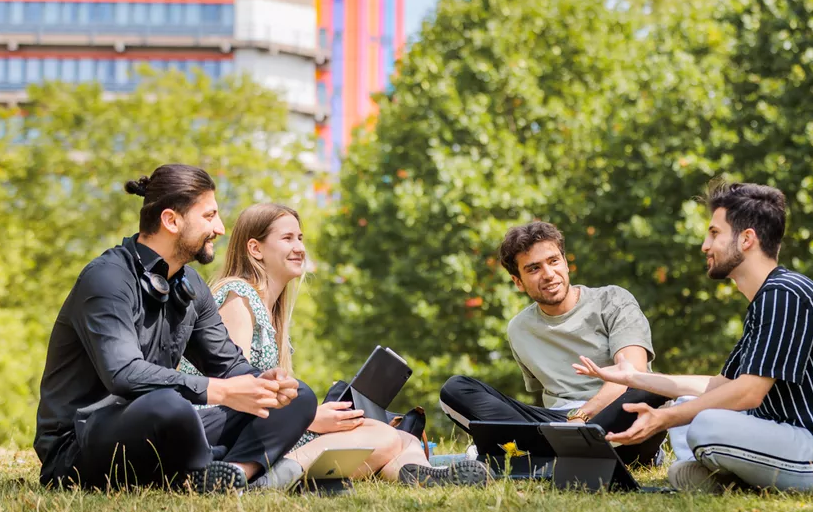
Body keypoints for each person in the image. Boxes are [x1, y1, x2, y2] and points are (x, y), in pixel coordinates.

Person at [574, 180, 813, 493]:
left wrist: (664, 418)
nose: (705, 246)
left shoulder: (786, 295)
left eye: (714, 233)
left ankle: (736, 479)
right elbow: (717, 386)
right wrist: (635, 377)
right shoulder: (767, 299)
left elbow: (748, 394)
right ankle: (740, 483)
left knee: (705, 424)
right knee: (687, 445)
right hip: (799, 444)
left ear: (747, 239)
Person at [34, 164, 317, 493]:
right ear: (171, 221)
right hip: (80, 444)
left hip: (164, 428)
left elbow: (228, 365)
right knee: (169, 406)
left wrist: (265, 383)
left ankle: (233, 473)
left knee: (299, 397)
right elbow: (124, 373)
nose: (221, 228)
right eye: (209, 216)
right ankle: (205, 466)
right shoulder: (107, 278)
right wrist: (223, 392)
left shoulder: (190, 284)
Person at [180, 203, 488, 489]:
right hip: (229, 437)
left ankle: (425, 476)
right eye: (287, 238)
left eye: (300, 238)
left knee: (400, 438)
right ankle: (264, 481)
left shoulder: (272, 310)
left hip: (263, 428)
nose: (299, 247)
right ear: (255, 248)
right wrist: (309, 417)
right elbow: (234, 390)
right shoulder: (238, 297)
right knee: (379, 435)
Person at [439, 221, 668, 467]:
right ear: (518, 281)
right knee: (456, 389)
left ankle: (534, 456)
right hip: (558, 423)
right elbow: (544, 398)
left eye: (554, 261)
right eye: (534, 268)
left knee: (651, 388)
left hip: (616, 415)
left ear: (566, 264)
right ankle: (557, 453)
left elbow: (633, 375)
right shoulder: (519, 329)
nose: (548, 274)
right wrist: (567, 424)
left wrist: (582, 416)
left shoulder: (613, 300)